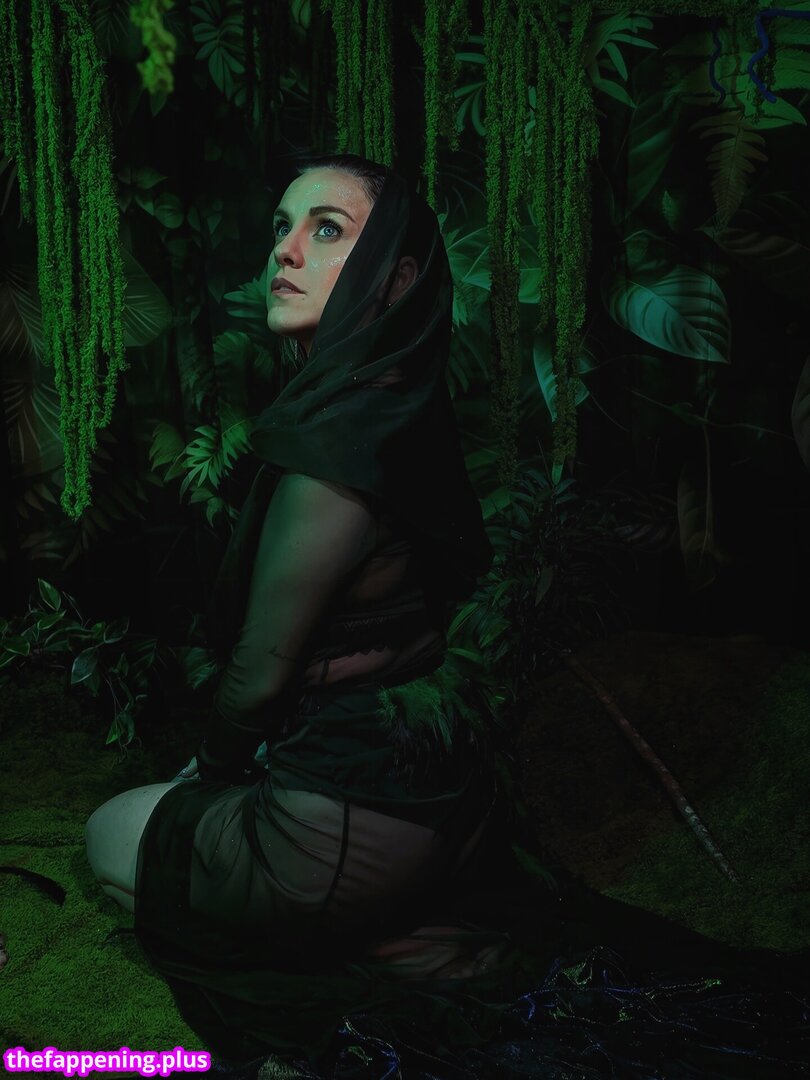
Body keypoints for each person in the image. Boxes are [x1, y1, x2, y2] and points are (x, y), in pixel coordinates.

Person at [85, 155, 810, 1078]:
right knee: (190, 834)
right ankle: (386, 930)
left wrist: (206, 776)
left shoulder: (330, 458)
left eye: (326, 229)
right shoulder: (398, 409)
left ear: (394, 276)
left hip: (341, 839)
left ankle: (344, 935)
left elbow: (260, 675)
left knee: (109, 836)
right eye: (281, 226)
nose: (285, 252)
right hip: (440, 822)